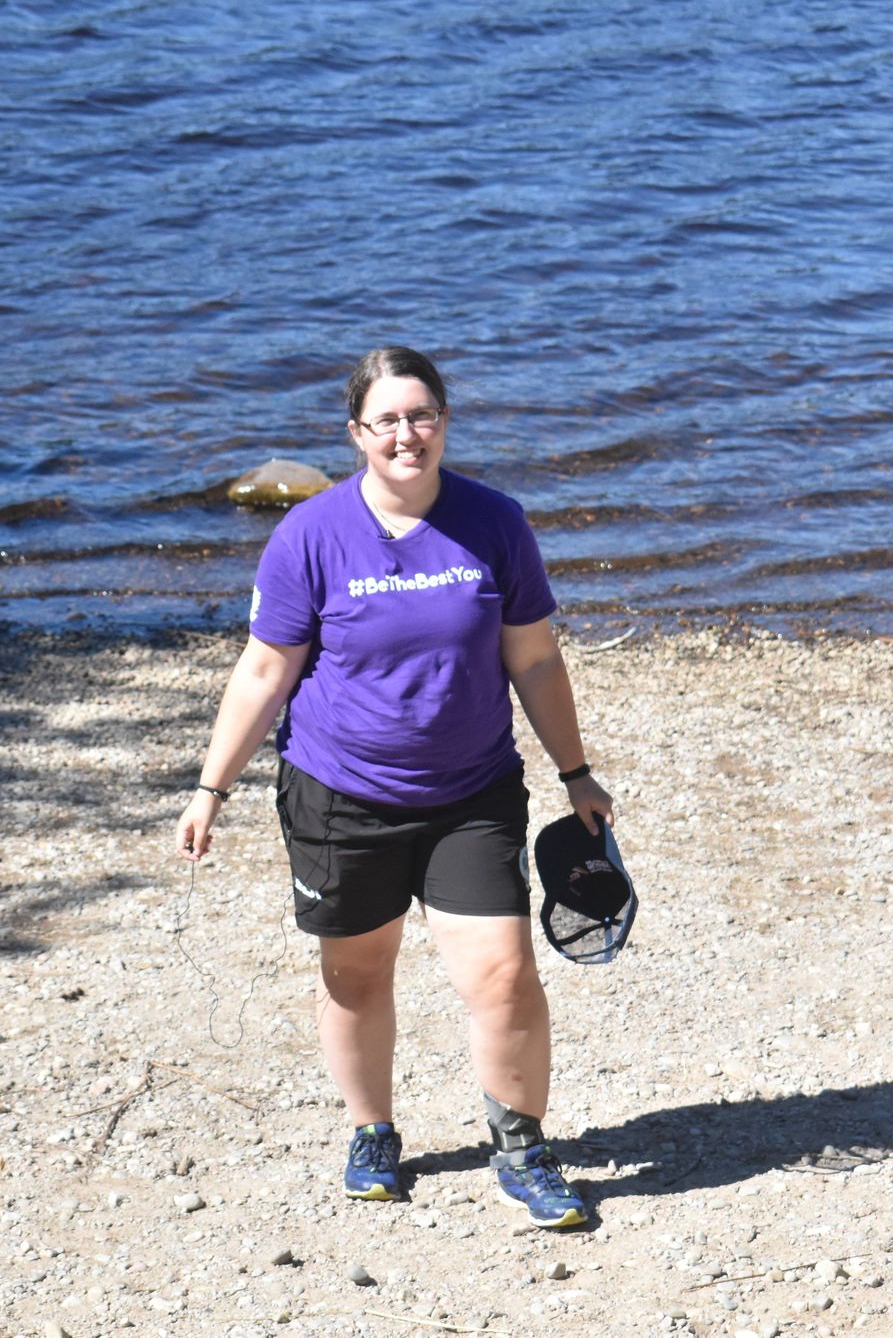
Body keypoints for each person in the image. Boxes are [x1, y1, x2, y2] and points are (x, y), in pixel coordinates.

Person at [174, 346, 616, 1228]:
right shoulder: (310, 534)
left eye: (422, 416)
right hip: (341, 794)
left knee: (502, 975)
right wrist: (209, 788)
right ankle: (371, 1130)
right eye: (387, 420)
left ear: (444, 421)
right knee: (355, 973)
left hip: (472, 792)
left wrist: (575, 772)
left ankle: (522, 1147)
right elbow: (266, 669)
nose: (406, 435)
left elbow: (533, 656)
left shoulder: (494, 522)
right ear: (357, 434)